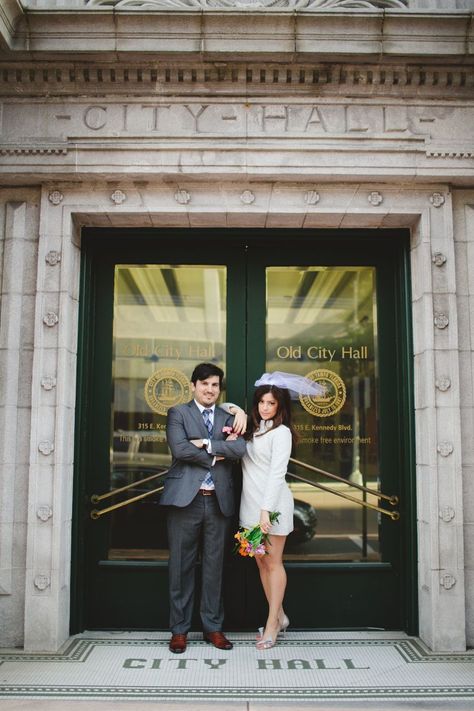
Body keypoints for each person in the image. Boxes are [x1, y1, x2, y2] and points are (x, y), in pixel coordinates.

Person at [225, 371, 325, 650]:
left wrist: (265, 511)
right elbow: (222, 408)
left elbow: (277, 474)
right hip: (249, 507)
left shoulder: (281, 433)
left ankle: (272, 624)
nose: (265, 407)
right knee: (260, 562)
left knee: (273, 562)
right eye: (261, 402)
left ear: (280, 405)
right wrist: (234, 409)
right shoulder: (253, 429)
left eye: (271, 403)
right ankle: (280, 615)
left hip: (273, 507)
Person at [161, 362, 247, 654]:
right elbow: (180, 449)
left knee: (214, 567)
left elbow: (239, 449)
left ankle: (213, 627)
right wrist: (216, 454)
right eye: (204, 384)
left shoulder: (229, 416)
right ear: (194, 386)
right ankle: (179, 630)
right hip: (186, 499)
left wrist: (207, 444)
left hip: (218, 500)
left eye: (215, 385)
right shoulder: (178, 413)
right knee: (181, 567)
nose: (210, 390)